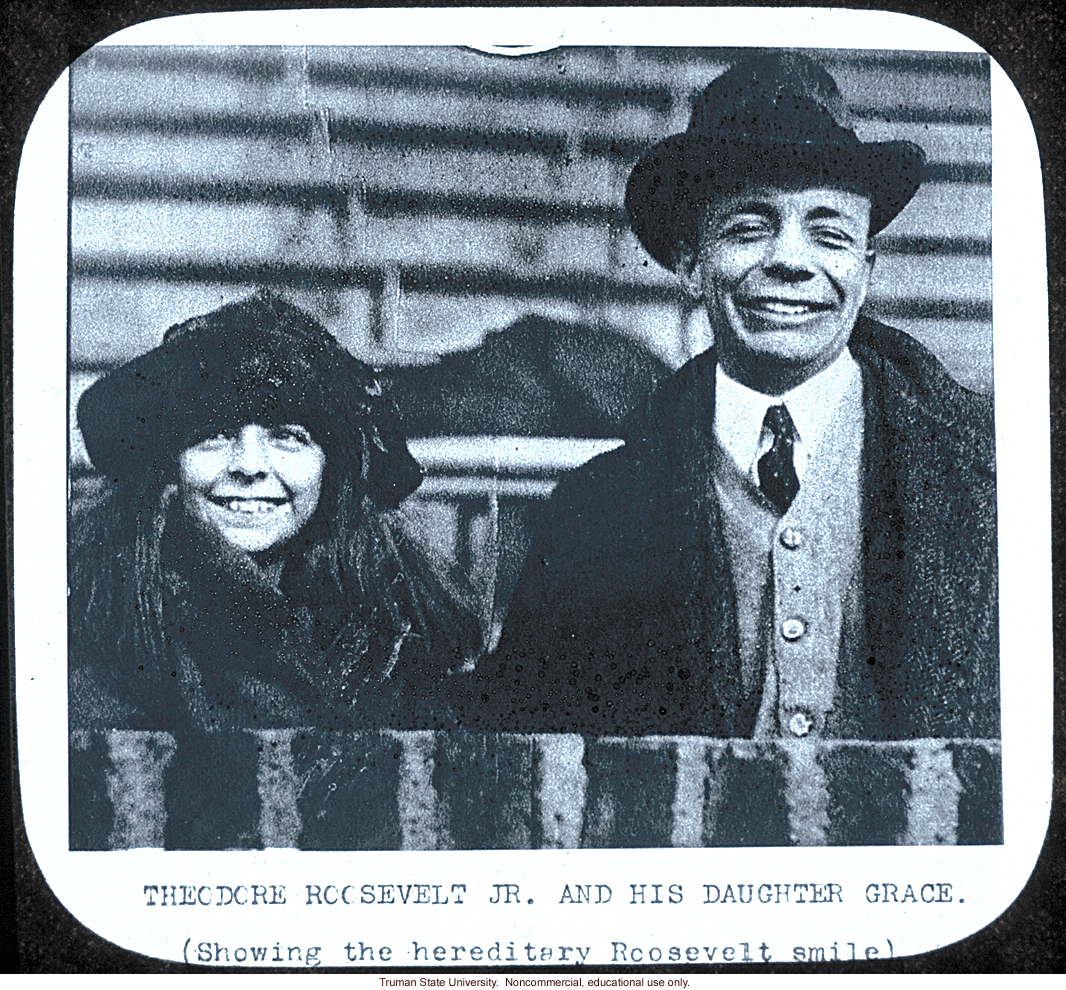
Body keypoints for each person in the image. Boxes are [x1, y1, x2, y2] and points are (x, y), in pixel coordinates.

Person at [462, 53, 998, 741]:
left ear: (865, 269)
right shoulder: (595, 514)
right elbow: (529, 739)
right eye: (749, 228)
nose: (791, 261)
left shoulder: (984, 487)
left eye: (830, 234)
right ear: (691, 263)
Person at [69, 293, 482, 737]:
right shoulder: (106, 616)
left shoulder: (396, 625)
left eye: (288, 437)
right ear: (169, 462)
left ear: (332, 468)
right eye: (214, 435)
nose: (249, 465)